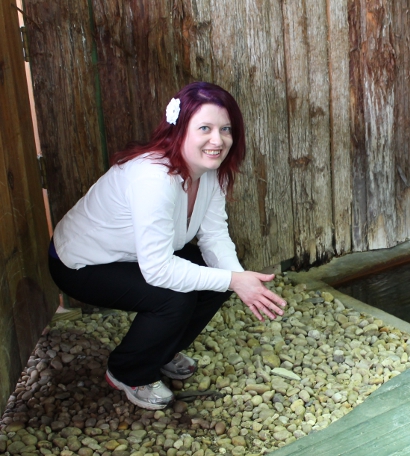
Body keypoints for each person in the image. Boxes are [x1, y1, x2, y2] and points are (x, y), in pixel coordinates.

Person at [48, 81, 286, 410]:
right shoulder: (154, 178)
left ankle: (160, 349)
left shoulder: (211, 172)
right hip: (81, 263)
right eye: (205, 128)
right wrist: (234, 280)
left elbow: (214, 235)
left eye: (226, 129)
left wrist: (238, 279)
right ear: (180, 130)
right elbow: (158, 270)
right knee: (175, 296)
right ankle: (127, 371)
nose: (218, 140)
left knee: (218, 272)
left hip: (137, 255)